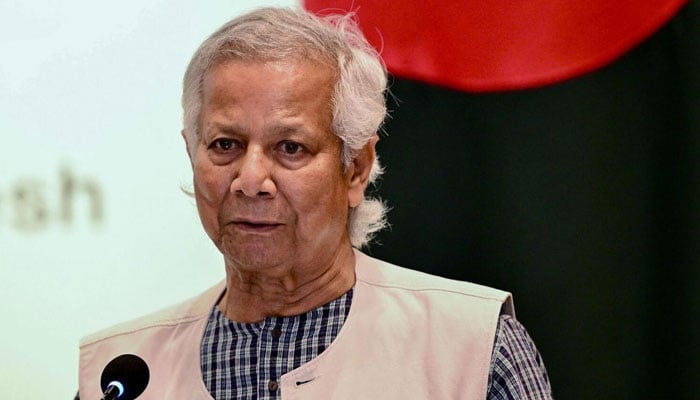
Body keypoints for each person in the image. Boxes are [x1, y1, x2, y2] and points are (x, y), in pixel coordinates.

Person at [77, 7, 552, 400]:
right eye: (225, 145)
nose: (250, 180)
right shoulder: (120, 376)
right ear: (191, 153)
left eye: (291, 148)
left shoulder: (473, 349)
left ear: (356, 168)